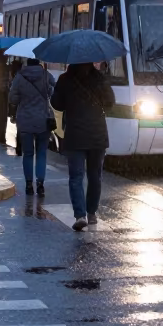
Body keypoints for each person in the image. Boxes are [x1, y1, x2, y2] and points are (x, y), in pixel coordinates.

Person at [50, 61, 115, 230]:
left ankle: (80, 215)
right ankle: (92, 212)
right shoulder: (100, 78)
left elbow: (57, 104)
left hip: (75, 134)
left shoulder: (65, 79)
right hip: (97, 134)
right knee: (95, 176)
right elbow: (110, 103)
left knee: (76, 176)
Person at [8, 57, 55, 197]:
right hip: (43, 120)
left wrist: (23, 98)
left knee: (28, 154)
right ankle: (40, 184)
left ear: (26, 63)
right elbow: (54, 91)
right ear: (39, 62)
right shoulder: (46, 75)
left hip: (25, 121)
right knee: (41, 153)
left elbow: (12, 98)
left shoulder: (19, 76)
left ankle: (29, 185)